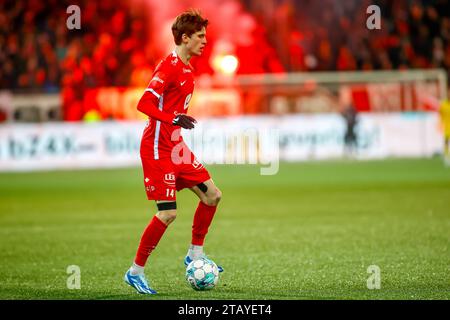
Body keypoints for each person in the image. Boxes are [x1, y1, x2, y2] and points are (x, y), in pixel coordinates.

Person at [124, 10, 223, 295]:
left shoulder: (188, 68)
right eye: (200, 36)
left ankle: (195, 254)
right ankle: (135, 272)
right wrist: (173, 118)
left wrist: (176, 123)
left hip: (176, 147)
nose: (205, 41)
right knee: (168, 214)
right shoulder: (167, 67)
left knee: (213, 195)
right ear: (185, 38)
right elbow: (143, 103)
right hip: (157, 149)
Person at [439, 91, 450, 166]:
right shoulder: (443, 105)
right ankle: (446, 156)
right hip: (447, 127)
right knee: (446, 142)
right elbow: (440, 115)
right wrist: (440, 124)